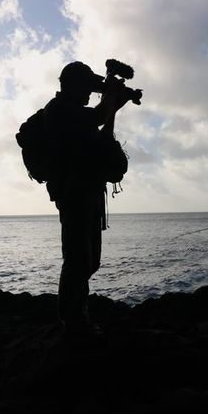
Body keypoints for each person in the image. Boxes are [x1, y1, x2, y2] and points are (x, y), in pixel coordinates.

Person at [43, 61, 129, 335]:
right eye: (87, 88)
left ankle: (77, 315)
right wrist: (111, 98)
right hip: (73, 194)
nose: (89, 94)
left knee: (89, 261)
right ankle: (72, 321)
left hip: (88, 192)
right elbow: (98, 117)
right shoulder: (58, 110)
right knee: (79, 259)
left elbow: (100, 128)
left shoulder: (76, 113)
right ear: (73, 85)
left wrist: (113, 101)